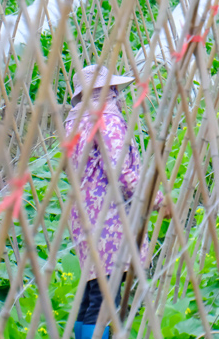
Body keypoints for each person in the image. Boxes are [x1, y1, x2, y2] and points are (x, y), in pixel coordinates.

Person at [64, 65, 169, 339]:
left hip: (84, 215)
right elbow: (120, 171)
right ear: (105, 92)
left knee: (92, 291)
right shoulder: (106, 120)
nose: (117, 96)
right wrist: (156, 200)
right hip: (108, 218)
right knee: (104, 295)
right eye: (113, 90)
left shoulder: (76, 122)